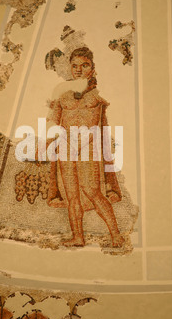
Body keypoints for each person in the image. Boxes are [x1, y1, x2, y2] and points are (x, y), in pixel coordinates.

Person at [46, 47, 126, 248]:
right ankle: (78, 237)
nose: (79, 70)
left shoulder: (99, 93)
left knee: (92, 190)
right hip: (66, 147)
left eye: (84, 65)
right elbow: (52, 122)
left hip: (88, 148)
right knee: (71, 195)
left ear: (92, 68)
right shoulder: (62, 94)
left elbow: (113, 111)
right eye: (75, 66)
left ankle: (116, 235)